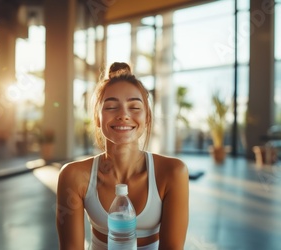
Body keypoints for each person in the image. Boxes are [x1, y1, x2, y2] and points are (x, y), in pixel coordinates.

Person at [56, 62, 189, 250]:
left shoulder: (173, 172)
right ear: (97, 118)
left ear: (147, 118)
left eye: (134, 107)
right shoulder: (73, 175)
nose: (123, 115)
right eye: (111, 107)